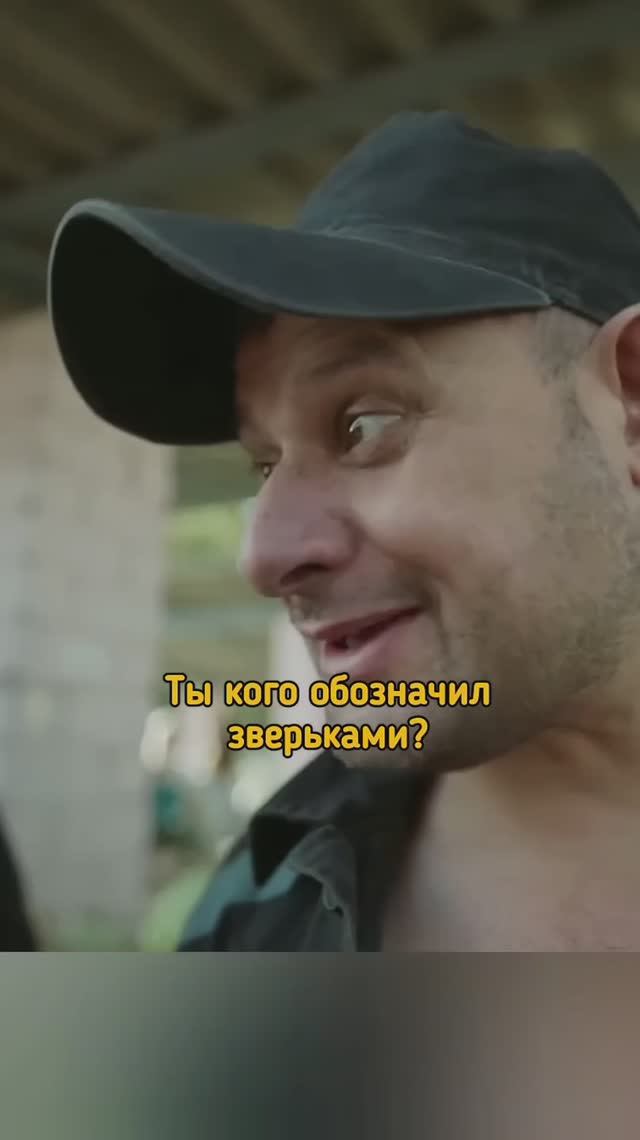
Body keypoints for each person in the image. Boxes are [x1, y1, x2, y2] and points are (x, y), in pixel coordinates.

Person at [47, 111, 640, 950]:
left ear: (631, 403)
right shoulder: (255, 912)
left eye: (365, 424)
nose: (263, 555)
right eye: (264, 464)